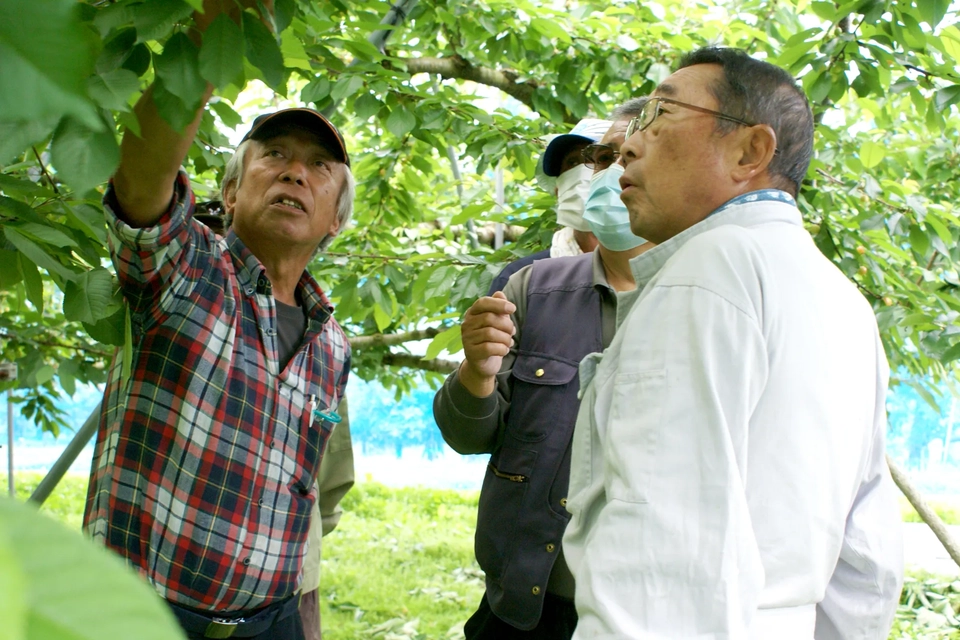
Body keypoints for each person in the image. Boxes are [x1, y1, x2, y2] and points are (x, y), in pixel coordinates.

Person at [562, 47, 903, 639]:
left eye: (659, 117)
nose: (631, 147)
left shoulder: (708, 271)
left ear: (750, 151)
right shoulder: (839, 295)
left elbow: (656, 554)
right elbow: (866, 559)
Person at [81, 2, 352, 639]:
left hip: (273, 617)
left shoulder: (332, 342)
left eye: (319, 168)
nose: (295, 172)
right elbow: (142, 183)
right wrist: (210, 29)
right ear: (229, 193)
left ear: (335, 220)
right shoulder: (191, 269)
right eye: (275, 155)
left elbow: (300, 487)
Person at [433, 99, 651, 639]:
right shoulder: (530, 287)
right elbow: (471, 432)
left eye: (628, 156)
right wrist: (476, 374)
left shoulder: (702, 301)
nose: (607, 174)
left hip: (640, 612)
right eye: (600, 160)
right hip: (524, 606)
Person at [486, 118, 609, 294]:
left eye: (601, 159)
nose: (585, 172)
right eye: (573, 162)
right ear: (559, 193)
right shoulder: (522, 280)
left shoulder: (656, 267)